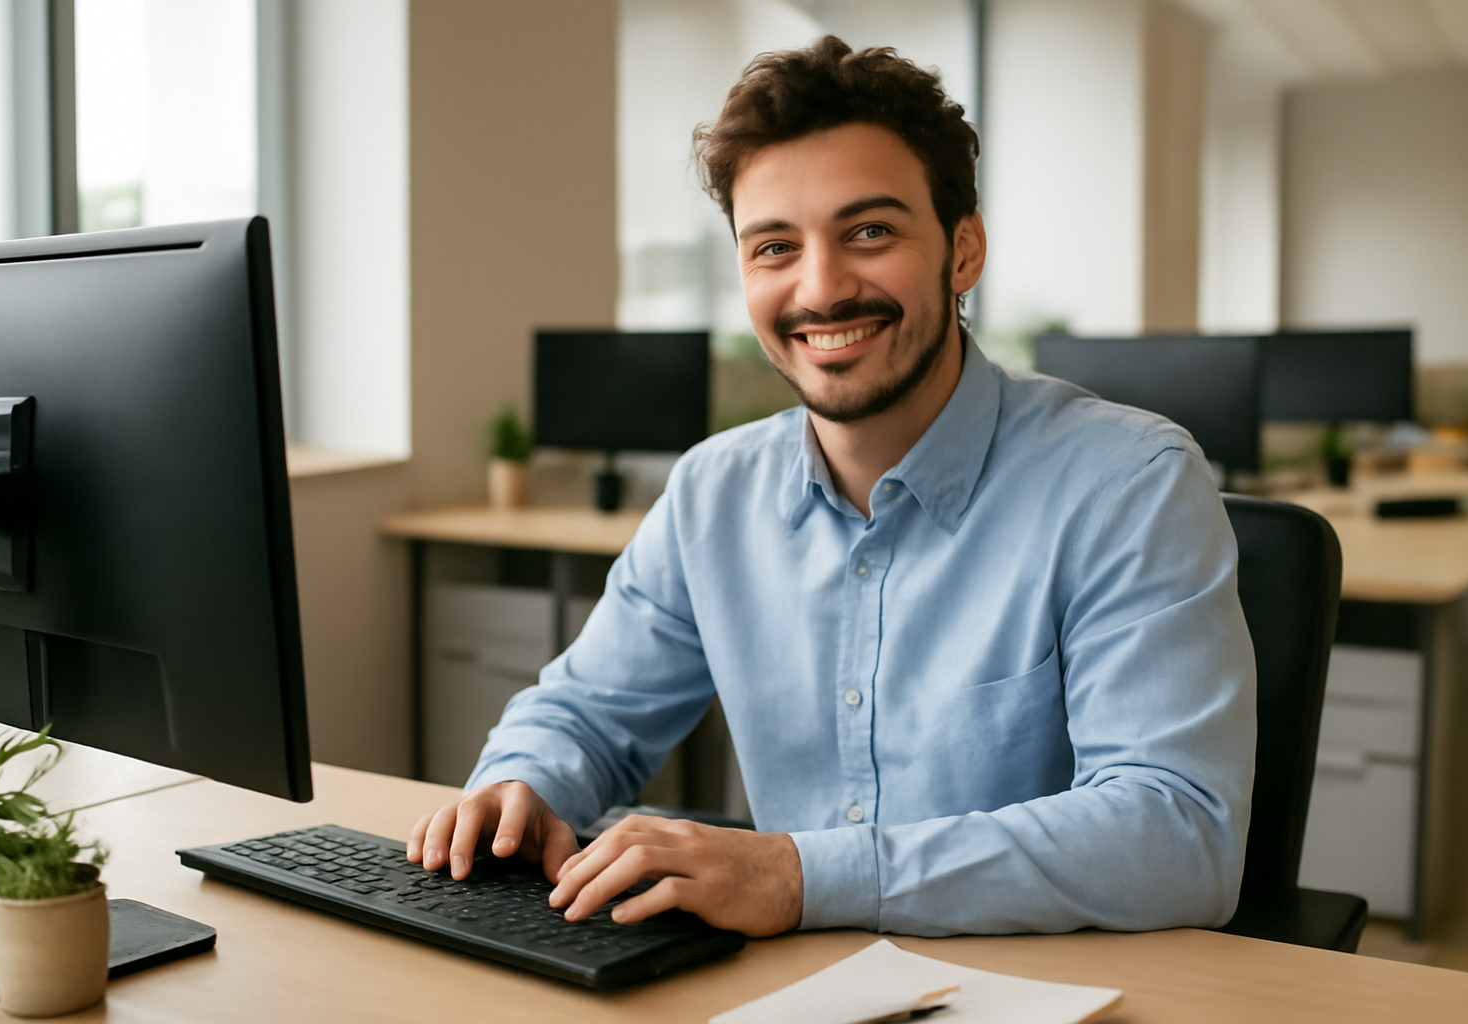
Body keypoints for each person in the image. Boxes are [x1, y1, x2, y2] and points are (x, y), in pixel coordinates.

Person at [407, 35, 1255, 938]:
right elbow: (588, 708)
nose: (821, 289)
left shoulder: (1127, 484)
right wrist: (523, 782)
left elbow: (1179, 834)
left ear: (963, 251)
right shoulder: (712, 494)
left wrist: (801, 875)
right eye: (774, 247)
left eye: (871, 232)